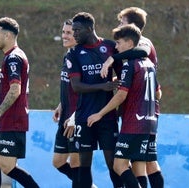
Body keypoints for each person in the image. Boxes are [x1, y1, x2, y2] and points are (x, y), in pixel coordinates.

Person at [87, 24, 162, 188]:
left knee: (119, 165)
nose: (117, 47)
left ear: (129, 43)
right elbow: (158, 94)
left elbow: (121, 95)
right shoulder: (149, 64)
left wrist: (100, 113)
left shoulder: (129, 64)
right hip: (150, 123)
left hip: (134, 123)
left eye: (119, 43)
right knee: (143, 166)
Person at [0, 17, 39, 188]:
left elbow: (15, 90)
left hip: (13, 121)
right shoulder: (10, 57)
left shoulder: (14, 58)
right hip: (4, 121)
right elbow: (2, 78)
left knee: (7, 167)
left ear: (8, 36)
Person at [64, 12, 124, 188]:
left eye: (77, 30)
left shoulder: (110, 47)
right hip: (84, 117)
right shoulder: (73, 53)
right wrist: (102, 86)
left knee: (113, 164)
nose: (74, 34)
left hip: (107, 117)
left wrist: (120, 102)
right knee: (84, 166)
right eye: (72, 30)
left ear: (89, 29)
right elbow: (76, 86)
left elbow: (122, 78)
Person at [52, 19, 84, 188]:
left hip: (76, 118)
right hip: (65, 114)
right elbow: (69, 85)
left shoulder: (83, 57)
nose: (64, 36)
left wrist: (74, 116)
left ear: (78, 35)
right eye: (63, 32)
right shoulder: (68, 56)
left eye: (68, 33)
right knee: (57, 162)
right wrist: (61, 104)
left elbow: (85, 91)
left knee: (76, 165)